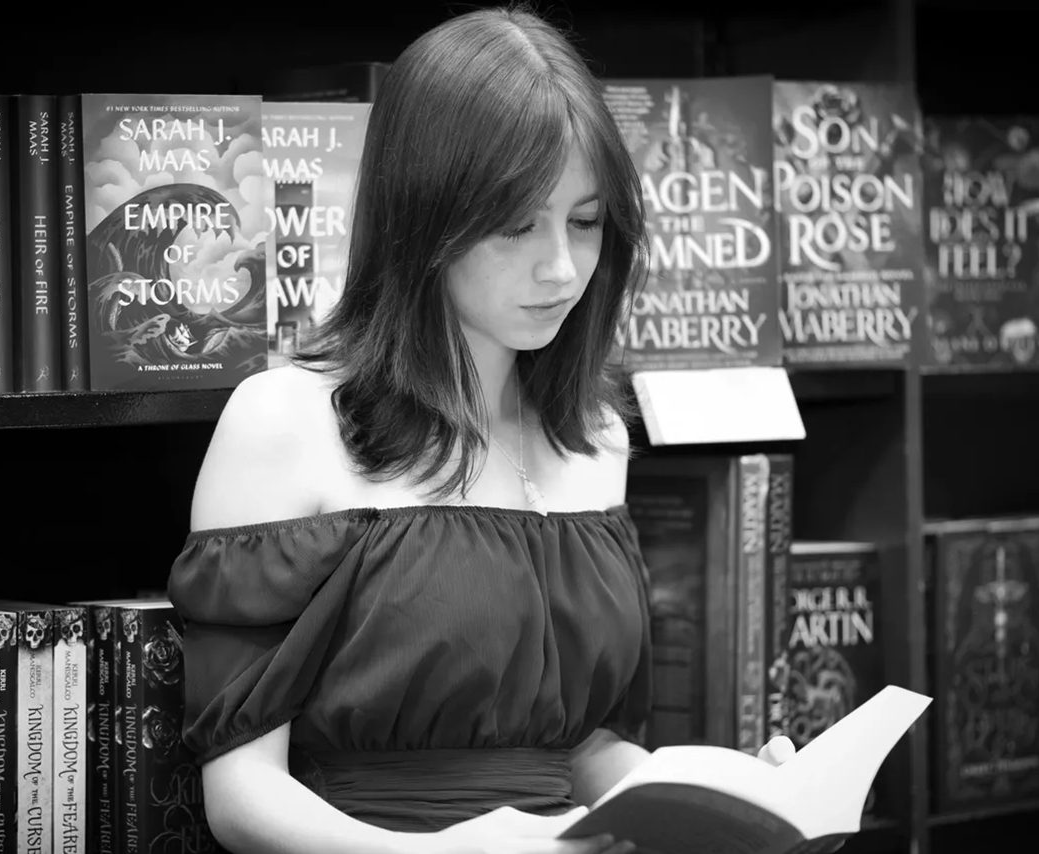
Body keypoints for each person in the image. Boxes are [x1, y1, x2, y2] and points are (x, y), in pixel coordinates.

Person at [167, 5, 796, 854]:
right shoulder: (284, 422)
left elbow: (576, 753)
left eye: (585, 221)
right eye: (515, 225)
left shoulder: (595, 435)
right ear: (423, 220)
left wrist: (718, 798)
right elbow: (241, 798)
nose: (562, 269)